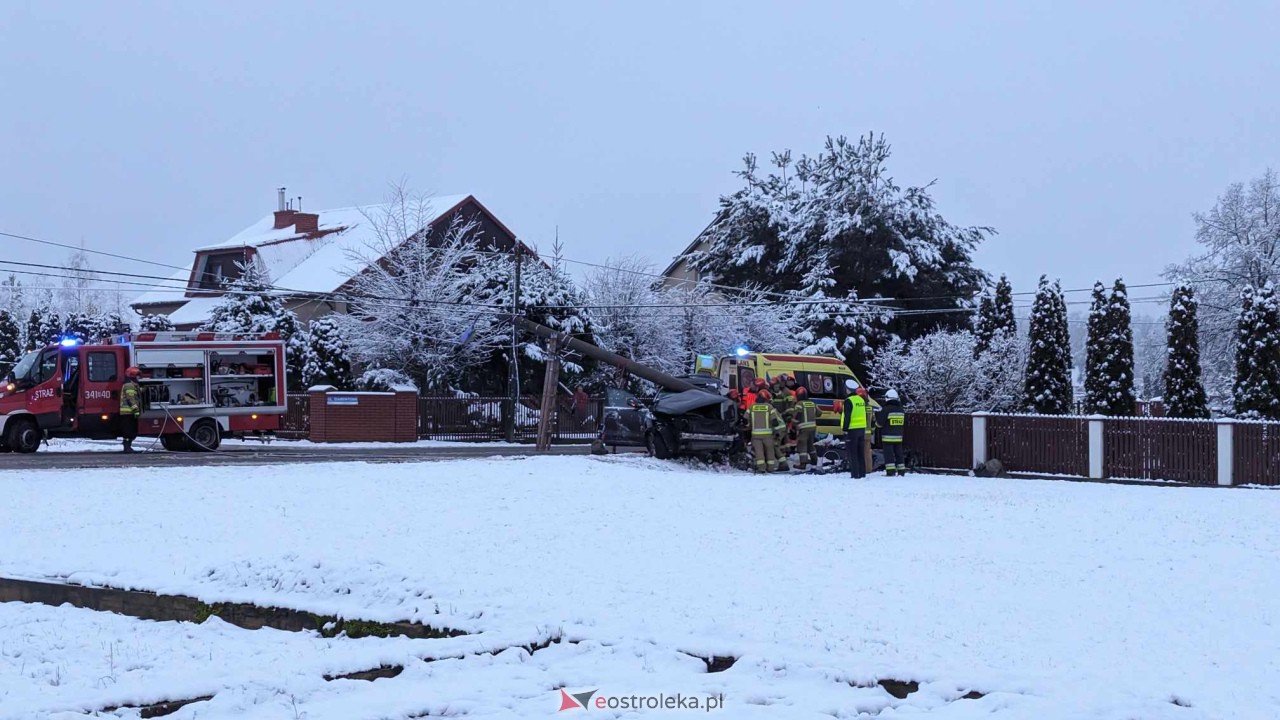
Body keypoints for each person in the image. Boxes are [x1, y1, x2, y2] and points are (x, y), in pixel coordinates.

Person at [748, 389, 783, 473]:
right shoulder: (769, 407)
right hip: (768, 435)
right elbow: (775, 422)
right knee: (770, 450)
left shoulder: (752, 407)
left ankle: (761, 468)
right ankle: (770, 468)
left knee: (759, 452)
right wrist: (777, 432)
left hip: (756, 435)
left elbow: (745, 420)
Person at [842, 379, 868, 478]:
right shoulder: (861, 400)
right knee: (860, 452)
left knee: (853, 453)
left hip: (852, 430)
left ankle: (855, 474)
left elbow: (847, 416)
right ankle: (862, 473)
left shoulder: (848, 401)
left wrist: (845, 428)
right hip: (862, 429)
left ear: (848, 389)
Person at [877, 388, 906, 476]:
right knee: (899, 453)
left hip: (887, 437)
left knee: (889, 454)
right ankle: (901, 471)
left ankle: (890, 471)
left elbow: (879, 423)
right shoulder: (901, 409)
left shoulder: (886, 409)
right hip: (898, 436)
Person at [794, 385, 819, 470]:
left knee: (802, 445)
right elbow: (819, 413)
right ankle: (814, 460)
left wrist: (792, 421)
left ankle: (803, 464)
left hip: (803, 428)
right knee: (810, 444)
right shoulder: (812, 403)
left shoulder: (799, 404)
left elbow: (797, 415)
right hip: (813, 428)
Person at [119, 367, 142, 453]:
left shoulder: (131, 385)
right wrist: (136, 410)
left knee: (130, 430)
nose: (138, 378)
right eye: (137, 376)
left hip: (128, 412)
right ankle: (127, 448)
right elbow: (131, 398)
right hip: (128, 412)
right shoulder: (129, 385)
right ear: (132, 376)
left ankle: (128, 447)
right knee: (128, 431)